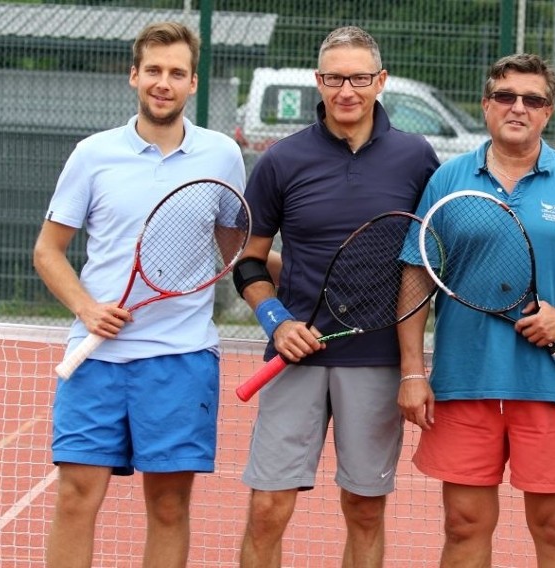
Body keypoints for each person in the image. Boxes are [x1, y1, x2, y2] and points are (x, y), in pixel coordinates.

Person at [397, 53, 555, 567]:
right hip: (465, 380)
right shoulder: (447, 179)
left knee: (554, 528)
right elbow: (417, 274)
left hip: (549, 384)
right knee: (463, 527)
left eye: (533, 99)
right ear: (486, 105)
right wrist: (413, 372)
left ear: (548, 112)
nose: (518, 107)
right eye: (505, 96)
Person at [32, 22, 245, 568]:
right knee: (77, 498)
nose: (163, 83)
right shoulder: (92, 154)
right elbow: (48, 252)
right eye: (153, 70)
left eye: (177, 72)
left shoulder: (221, 156)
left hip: (180, 361)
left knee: (170, 507)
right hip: (96, 359)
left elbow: (234, 248)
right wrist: (86, 307)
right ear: (134, 76)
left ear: (193, 83)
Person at [233, 26, 439, 567]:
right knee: (267, 511)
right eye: (334, 78)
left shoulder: (417, 158)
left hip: (376, 361)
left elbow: (428, 255)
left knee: (365, 511)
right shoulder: (281, 159)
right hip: (294, 357)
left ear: (381, 81)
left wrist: (415, 366)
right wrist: (277, 322)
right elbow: (249, 261)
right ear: (318, 82)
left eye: (360, 78)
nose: (347, 90)